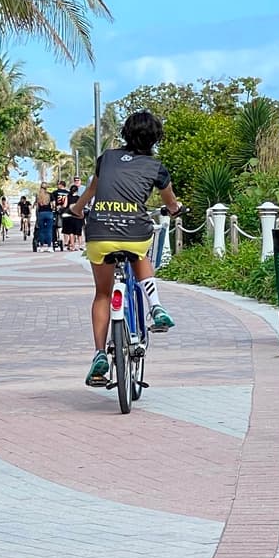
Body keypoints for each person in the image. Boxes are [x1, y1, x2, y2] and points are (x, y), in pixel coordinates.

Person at [70, 110, 184, 387]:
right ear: (156, 137)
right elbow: (171, 203)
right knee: (140, 252)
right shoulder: (156, 167)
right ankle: (155, 306)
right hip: (135, 231)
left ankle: (99, 355)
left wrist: (76, 209)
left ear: (124, 133)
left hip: (100, 233)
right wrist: (176, 209)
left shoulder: (106, 159)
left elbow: (90, 193)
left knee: (102, 294)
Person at [62, 176, 84, 251]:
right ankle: (81, 245)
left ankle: (72, 246)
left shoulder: (67, 197)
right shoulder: (79, 198)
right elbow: (81, 207)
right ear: (77, 190)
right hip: (77, 216)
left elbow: (64, 205)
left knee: (71, 232)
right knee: (78, 232)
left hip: (69, 216)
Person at [34, 184, 55, 250]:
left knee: (41, 230)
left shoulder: (38, 195)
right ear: (47, 188)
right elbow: (53, 204)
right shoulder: (50, 194)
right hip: (49, 213)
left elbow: (37, 206)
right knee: (49, 230)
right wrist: (53, 209)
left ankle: (42, 246)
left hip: (41, 213)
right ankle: (49, 246)